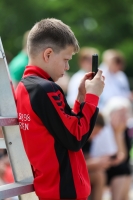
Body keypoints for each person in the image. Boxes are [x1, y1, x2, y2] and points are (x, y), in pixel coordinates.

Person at [15, 18, 105, 200]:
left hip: (51, 188)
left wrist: (81, 98)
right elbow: (75, 137)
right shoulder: (46, 88)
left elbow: (65, 127)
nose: (67, 67)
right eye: (65, 59)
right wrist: (93, 98)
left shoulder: (25, 86)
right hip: (64, 190)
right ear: (48, 54)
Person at [82, 113, 111, 200]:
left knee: (100, 173)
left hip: (80, 171)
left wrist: (101, 161)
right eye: (96, 132)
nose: (96, 135)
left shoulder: (88, 140)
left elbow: (87, 158)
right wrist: (95, 163)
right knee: (99, 176)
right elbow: (75, 165)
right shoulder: (80, 138)